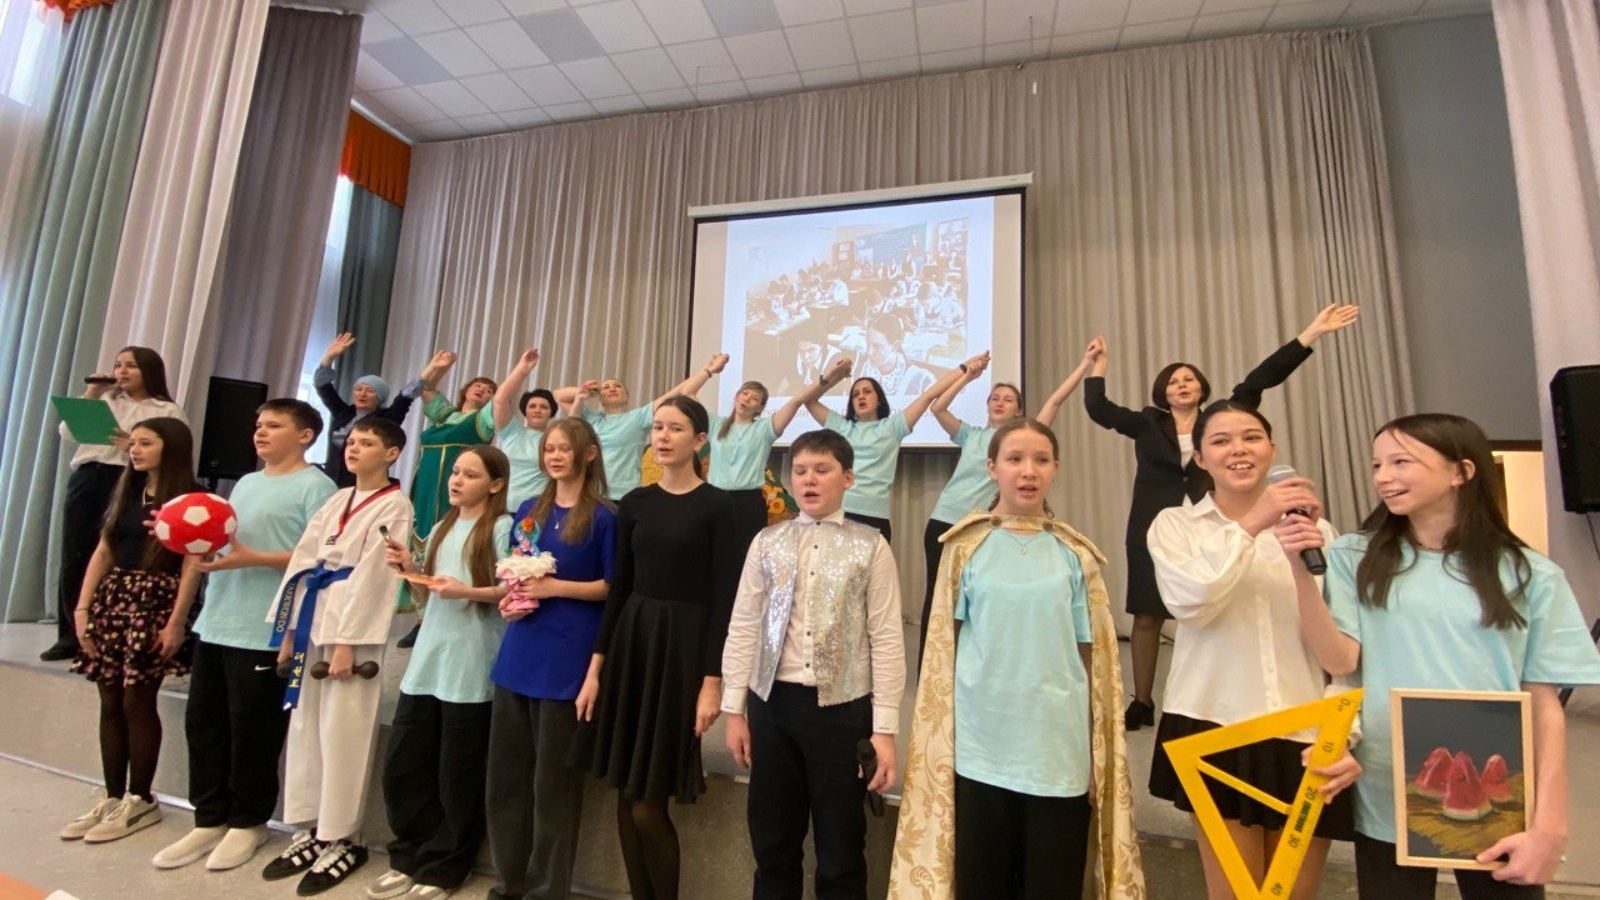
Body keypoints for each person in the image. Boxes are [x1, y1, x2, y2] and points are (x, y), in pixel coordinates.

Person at [1283, 413, 1600, 899]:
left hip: (1498, 791)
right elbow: (1340, 661)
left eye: (1401, 462)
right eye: (1377, 464)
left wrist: (1551, 822)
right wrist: (1301, 572)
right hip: (1385, 787)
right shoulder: (1352, 556)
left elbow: (1545, 705)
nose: (1383, 477)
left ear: (1462, 472)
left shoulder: (1531, 574)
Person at [889, 419, 1143, 900]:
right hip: (981, 749)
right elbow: (944, 650)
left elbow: (1093, 658)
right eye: (1015, 459)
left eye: (1041, 460)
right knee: (982, 885)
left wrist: (1099, 747)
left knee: (1052, 885)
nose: (1029, 471)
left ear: (1055, 468)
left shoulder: (1075, 555)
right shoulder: (963, 548)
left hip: (1057, 750)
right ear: (992, 468)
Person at [1081, 303, 1360, 731]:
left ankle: (1245, 700)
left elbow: (1261, 377)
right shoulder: (1147, 423)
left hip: (1222, 522)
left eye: (1189, 378)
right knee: (1146, 615)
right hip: (1156, 526)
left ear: (1202, 388)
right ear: (1162, 392)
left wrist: (1310, 335)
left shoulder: (1222, 417)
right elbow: (1099, 409)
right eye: (1173, 380)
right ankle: (1142, 701)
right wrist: (1098, 366)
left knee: (1229, 606)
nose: (1182, 384)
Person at [1145, 401, 1361, 900]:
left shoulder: (1318, 533)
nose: (1238, 450)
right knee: (1237, 892)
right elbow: (1191, 601)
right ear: (1200, 458)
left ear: (1272, 449)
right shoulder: (1176, 526)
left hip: (1306, 730)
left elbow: (1342, 645)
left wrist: (1345, 731)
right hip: (1215, 724)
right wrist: (1252, 525)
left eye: (1251, 437)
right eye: (1221, 441)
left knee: (1294, 893)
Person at [151, 400, 337, 872]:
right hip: (217, 621)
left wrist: (254, 559)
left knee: (253, 730)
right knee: (204, 723)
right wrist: (177, 539)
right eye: (258, 424)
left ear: (305, 436)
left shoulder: (317, 487)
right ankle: (208, 817)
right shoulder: (246, 484)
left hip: (267, 630)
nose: (260, 432)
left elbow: (322, 558)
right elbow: (214, 547)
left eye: (274, 425)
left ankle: (248, 821)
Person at [721, 429, 905, 900]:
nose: (809, 480)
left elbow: (886, 638)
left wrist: (884, 730)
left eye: (822, 470)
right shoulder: (767, 541)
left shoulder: (871, 545)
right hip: (772, 707)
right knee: (773, 844)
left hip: (842, 713)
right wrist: (734, 709)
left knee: (841, 850)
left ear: (848, 478)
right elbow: (744, 624)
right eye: (800, 471)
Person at [574, 396, 742, 900]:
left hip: (683, 652)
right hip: (633, 644)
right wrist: (595, 670)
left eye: (676, 428)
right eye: (658, 427)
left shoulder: (720, 507)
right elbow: (619, 589)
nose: (663, 437)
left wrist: (712, 683)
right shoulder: (635, 503)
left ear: (700, 440)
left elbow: (725, 601)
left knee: (649, 803)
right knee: (626, 796)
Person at [260, 417, 414, 896]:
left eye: (367, 443)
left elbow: (375, 577)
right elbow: (304, 559)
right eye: (351, 441)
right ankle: (312, 826)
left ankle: (346, 837)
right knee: (306, 727)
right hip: (315, 615)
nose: (354, 448)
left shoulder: (395, 505)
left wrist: (347, 642)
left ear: (391, 453)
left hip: (353, 630)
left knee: (343, 732)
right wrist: (288, 630)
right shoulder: (337, 498)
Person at [368, 446, 512, 900]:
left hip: (471, 665)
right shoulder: (442, 526)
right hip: (428, 662)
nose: (456, 480)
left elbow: (514, 591)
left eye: (470, 475)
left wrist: (468, 591)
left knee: (458, 774)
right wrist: (411, 569)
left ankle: (448, 864)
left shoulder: (502, 528)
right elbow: (429, 593)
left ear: (495, 484)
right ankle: (409, 853)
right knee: (406, 765)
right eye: (455, 472)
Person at [486, 417, 617, 900]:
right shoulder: (528, 509)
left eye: (564, 448)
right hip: (520, 652)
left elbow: (612, 587)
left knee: (553, 787)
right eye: (549, 449)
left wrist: (557, 587)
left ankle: (546, 891)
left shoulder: (604, 516)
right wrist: (510, 600)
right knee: (505, 782)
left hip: (567, 659)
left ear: (589, 454)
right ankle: (508, 883)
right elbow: (515, 573)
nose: (555, 456)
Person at [59, 417, 202, 844]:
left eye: (145, 443)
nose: (134, 450)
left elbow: (193, 563)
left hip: (156, 599)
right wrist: (83, 607)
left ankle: (141, 798)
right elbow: (104, 549)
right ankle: (112, 794)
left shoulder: (191, 499)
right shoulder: (126, 489)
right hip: (115, 597)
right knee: (109, 700)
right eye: (133, 443)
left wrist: (176, 620)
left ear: (170, 448)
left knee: (138, 700)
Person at [917, 340, 1098, 661]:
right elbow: (938, 408)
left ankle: (967, 668)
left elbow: (1055, 401)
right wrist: (967, 376)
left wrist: (1085, 365)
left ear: (1019, 410)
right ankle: (930, 673)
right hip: (944, 523)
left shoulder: (1018, 443)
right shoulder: (971, 435)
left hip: (979, 528)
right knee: (936, 602)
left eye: (1008, 399)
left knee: (969, 606)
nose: (1000, 403)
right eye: (995, 398)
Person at [44, 346, 186, 662]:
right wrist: (93, 391)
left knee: (116, 552)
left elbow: (176, 451)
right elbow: (67, 431)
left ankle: (109, 627)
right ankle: (69, 635)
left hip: (129, 479)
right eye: (118, 365)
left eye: (130, 366)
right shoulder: (105, 400)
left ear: (149, 371)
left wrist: (130, 446)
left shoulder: (166, 410)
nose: (121, 371)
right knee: (75, 552)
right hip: (89, 476)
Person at [804, 353, 983, 542]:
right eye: (855, 394)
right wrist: (834, 376)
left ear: (879, 399)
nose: (861, 396)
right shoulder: (842, 426)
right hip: (839, 513)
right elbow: (809, 400)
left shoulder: (892, 427)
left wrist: (964, 368)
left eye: (867, 392)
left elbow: (929, 395)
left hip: (874, 517)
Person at [702, 356, 851, 556]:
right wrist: (708, 371)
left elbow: (796, 401)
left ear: (760, 408)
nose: (747, 399)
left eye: (754, 398)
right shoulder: (716, 425)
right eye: (744, 393)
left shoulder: (765, 429)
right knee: (710, 556)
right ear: (736, 396)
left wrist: (828, 376)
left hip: (747, 503)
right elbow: (686, 395)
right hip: (715, 499)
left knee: (746, 560)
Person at [567, 354, 728, 501]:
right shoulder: (592, 418)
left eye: (617, 386)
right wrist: (583, 394)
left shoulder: (638, 417)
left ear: (627, 397)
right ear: (600, 399)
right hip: (593, 495)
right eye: (606, 387)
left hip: (624, 495)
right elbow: (560, 397)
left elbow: (678, 392)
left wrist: (708, 370)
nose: (612, 388)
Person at [313, 332, 425, 488]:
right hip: (331, 481)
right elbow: (322, 386)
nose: (362, 394)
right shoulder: (344, 413)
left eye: (370, 391)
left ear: (380, 397)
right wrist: (328, 358)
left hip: (364, 483)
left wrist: (427, 374)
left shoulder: (386, 419)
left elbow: (405, 398)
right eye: (358, 389)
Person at [491, 347, 582, 514]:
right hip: (503, 509)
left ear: (551, 412)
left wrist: (583, 395)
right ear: (524, 411)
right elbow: (500, 400)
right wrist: (522, 370)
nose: (537, 410)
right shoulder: (512, 432)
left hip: (539, 510)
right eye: (532, 406)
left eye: (544, 407)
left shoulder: (558, 438)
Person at [856, 316, 934, 396]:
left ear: (895, 346)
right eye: (868, 344)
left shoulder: (921, 380)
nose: (869, 353)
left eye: (877, 346)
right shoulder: (868, 369)